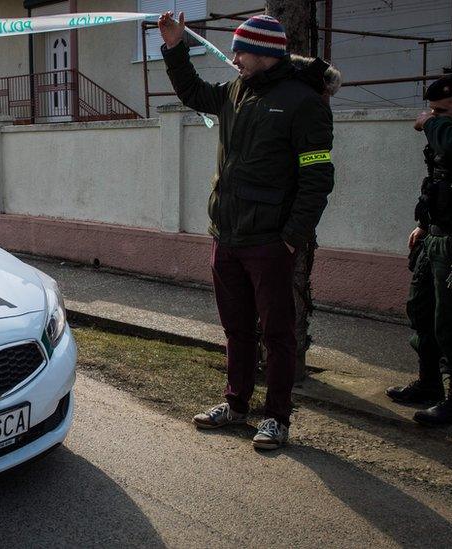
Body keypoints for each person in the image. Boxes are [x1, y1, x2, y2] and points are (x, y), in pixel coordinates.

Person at [157, 12, 335, 449]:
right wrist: (175, 45)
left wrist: (292, 235)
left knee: (277, 334)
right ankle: (236, 405)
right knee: (236, 328)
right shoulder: (237, 91)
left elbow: (317, 177)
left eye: (241, 50)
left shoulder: (303, 102)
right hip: (227, 234)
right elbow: (193, 92)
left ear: (265, 54)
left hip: (270, 241)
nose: (234, 57)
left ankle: (276, 417)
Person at [386, 74, 452, 426]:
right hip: (436, 235)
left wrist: (433, 123)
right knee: (421, 311)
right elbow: (436, 181)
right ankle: (428, 384)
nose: (433, 115)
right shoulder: (448, 131)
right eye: (432, 110)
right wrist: (422, 223)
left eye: (442, 110)